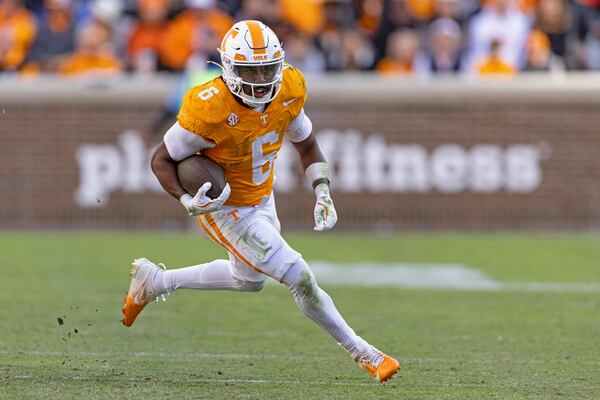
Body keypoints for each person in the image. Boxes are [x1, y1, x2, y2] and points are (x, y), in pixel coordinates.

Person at [121, 19, 400, 383]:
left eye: (267, 68)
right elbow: (161, 159)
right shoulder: (209, 106)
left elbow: (308, 145)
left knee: (247, 280)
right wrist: (187, 199)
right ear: (231, 69)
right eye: (251, 70)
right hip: (225, 207)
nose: (261, 78)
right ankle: (365, 353)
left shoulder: (288, 88)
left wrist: (322, 189)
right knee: (299, 275)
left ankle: (155, 281)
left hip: (261, 195)